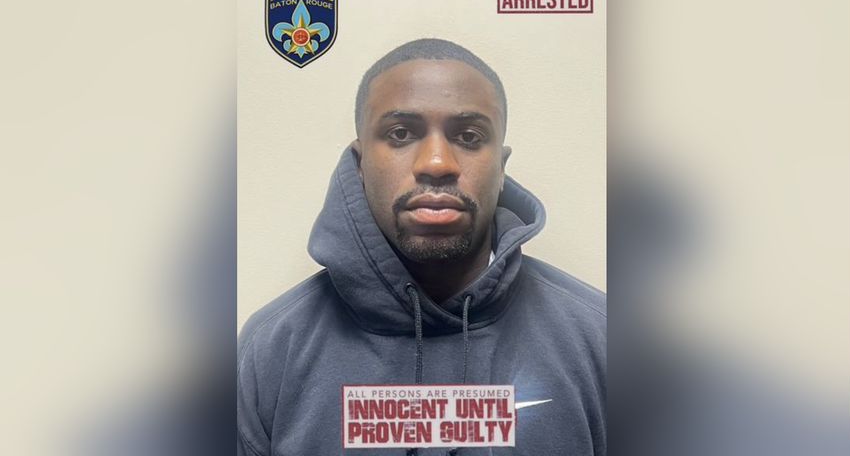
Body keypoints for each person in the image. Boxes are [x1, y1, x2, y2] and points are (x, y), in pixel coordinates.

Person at [238, 39, 606, 455]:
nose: (436, 163)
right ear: (360, 165)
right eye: (400, 134)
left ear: (501, 168)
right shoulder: (271, 351)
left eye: (469, 136)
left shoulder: (602, 341)